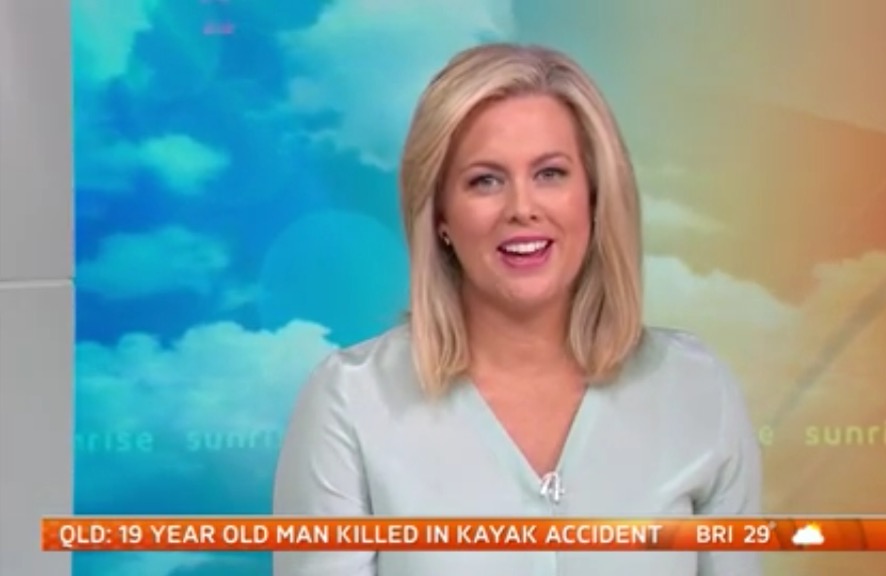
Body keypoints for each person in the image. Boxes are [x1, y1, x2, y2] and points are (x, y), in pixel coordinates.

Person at [273, 42, 762, 576]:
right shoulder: (351, 402)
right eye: (485, 181)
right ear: (440, 216)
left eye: (550, 173)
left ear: (595, 196)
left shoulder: (696, 389)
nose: (522, 208)